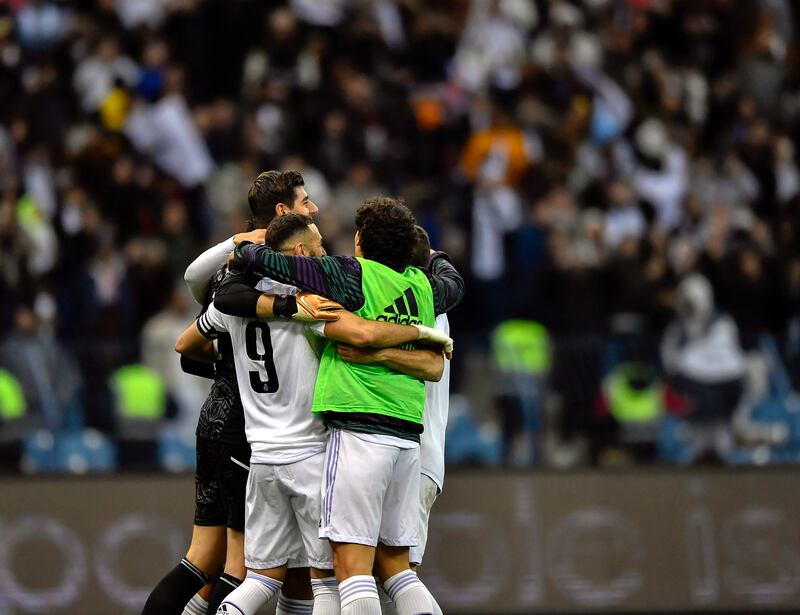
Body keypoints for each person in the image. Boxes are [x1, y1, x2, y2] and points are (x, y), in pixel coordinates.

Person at [176, 214, 451, 615]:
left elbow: (186, 343)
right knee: (336, 580)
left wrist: (227, 357)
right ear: (301, 253)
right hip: (323, 451)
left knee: (260, 579)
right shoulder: (318, 304)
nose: (326, 252)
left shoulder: (238, 303)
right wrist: (422, 334)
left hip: (263, 455)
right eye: (319, 245)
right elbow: (371, 337)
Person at [143, 170, 319, 615]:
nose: (313, 210)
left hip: (215, 415)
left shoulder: (227, 279)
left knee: (204, 558)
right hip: (251, 425)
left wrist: (238, 242)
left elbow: (187, 342)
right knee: (244, 571)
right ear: (284, 214)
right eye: (305, 203)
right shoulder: (298, 283)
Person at [334, 226, 450, 615]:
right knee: (396, 574)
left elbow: (430, 366)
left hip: (397, 443)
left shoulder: (413, 302)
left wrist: (375, 354)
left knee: (374, 572)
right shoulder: (429, 300)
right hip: (419, 452)